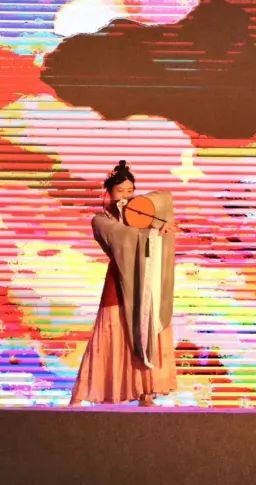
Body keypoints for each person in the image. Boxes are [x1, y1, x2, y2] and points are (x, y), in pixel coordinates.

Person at [70, 160, 178, 406]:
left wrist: (159, 224)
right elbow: (124, 238)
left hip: (144, 286)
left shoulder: (143, 218)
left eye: (131, 191)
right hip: (117, 286)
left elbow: (163, 200)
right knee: (113, 336)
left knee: (146, 331)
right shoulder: (101, 221)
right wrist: (154, 232)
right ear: (109, 192)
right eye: (120, 191)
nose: (126, 196)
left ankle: (145, 391)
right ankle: (82, 394)